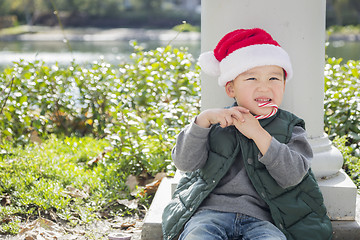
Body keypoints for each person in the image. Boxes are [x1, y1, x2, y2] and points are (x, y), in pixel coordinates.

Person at [162, 28, 333, 240]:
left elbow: (293, 175)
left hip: (265, 219)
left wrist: (259, 134)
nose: (264, 87)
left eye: (273, 79)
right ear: (231, 89)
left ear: (284, 85)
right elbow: (185, 163)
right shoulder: (217, 123)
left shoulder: (291, 127)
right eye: (252, 78)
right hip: (209, 214)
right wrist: (202, 121)